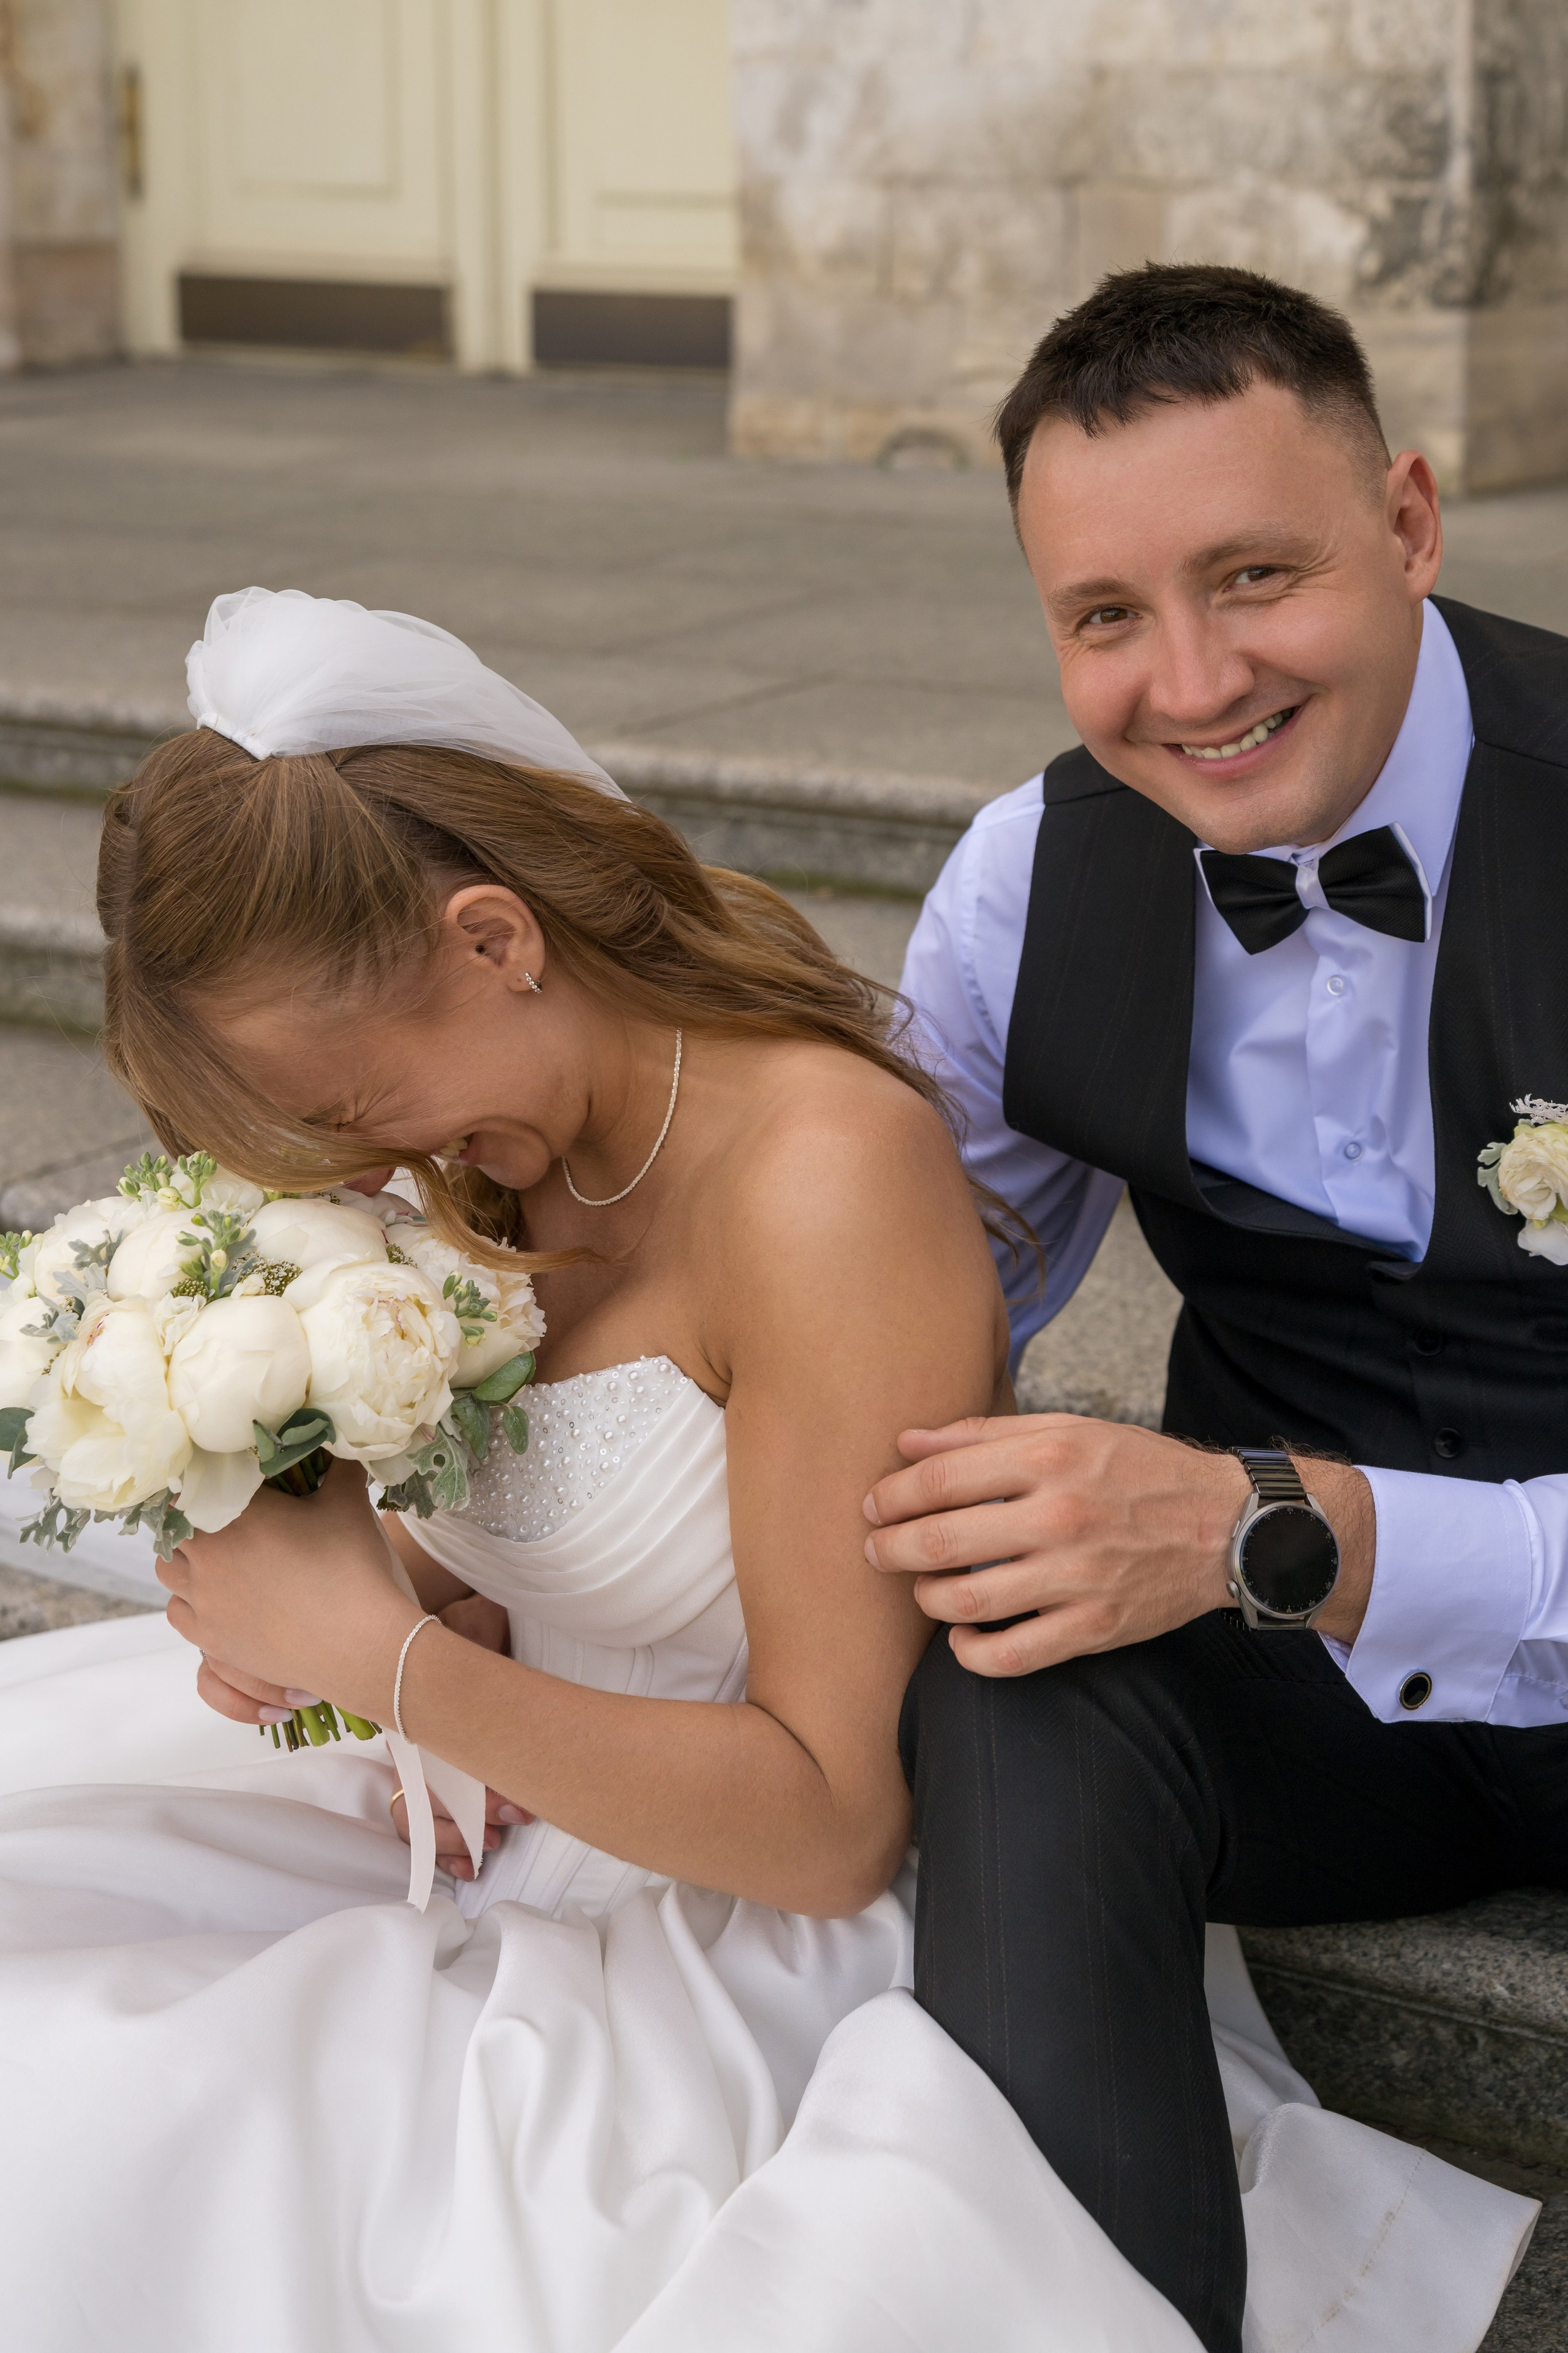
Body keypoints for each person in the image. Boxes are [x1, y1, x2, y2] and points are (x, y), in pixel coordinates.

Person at [873, 263, 1564, 2353]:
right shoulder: (1028, 882)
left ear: (1413, 524)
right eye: (1104, 616)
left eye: (1254, 574)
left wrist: (1281, 1524)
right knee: (1000, 1664)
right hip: (1304, 1687)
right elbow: (888, 1300)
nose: (1190, 681)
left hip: (1339, 1559)